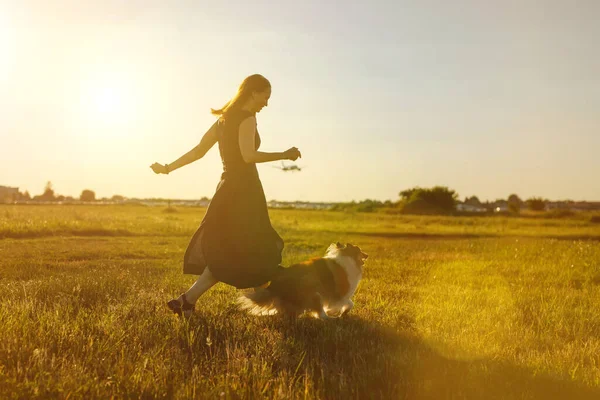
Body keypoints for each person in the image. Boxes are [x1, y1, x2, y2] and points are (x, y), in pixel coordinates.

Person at [150, 74, 301, 317]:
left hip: (227, 189)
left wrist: (168, 168)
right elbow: (249, 156)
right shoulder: (247, 118)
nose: (266, 103)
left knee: (233, 249)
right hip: (245, 191)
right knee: (255, 246)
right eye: (266, 97)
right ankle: (275, 306)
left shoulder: (223, 119)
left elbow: (198, 151)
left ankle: (187, 301)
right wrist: (284, 154)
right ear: (253, 92)